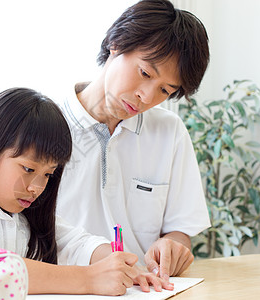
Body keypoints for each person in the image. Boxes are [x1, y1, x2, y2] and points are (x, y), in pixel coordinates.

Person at [0, 88, 173, 295]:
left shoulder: (22, 211)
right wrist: (87, 279)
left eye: (48, 174)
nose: (37, 187)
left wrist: (120, 265)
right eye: (28, 169)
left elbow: (75, 242)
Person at [54, 0, 211, 283]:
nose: (147, 97)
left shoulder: (169, 131)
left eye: (165, 89)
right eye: (145, 73)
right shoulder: (42, 123)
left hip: (143, 288)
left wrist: (174, 247)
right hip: (63, 288)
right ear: (116, 44)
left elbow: (179, 231)